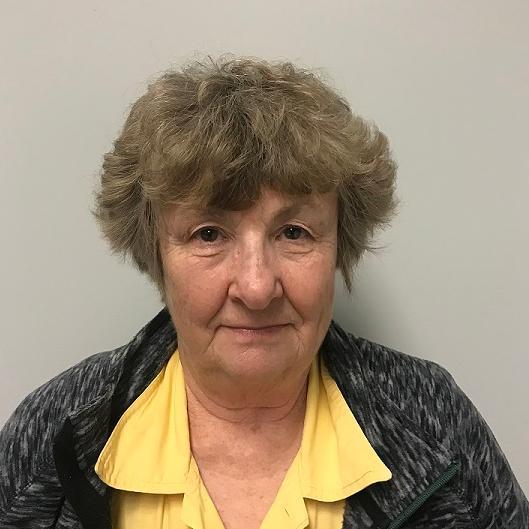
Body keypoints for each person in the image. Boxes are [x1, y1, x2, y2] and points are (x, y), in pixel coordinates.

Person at [0, 56, 527, 529]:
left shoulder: (433, 419)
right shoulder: (52, 431)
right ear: (154, 251)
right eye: (209, 234)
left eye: (294, 233)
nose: (256, 288)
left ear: (339, 244)